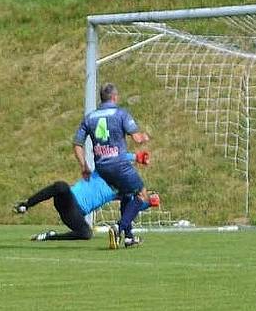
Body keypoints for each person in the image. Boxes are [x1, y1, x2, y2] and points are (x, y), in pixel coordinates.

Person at [13, 152, 159, 247]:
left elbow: (131, 208)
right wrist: (137, 157)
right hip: (68, 199)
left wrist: (148, 204)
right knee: (61, 186)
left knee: (86, 234)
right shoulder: (101, 171)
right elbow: (121, 157)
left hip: (74, 215)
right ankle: (26, 205)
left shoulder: (121, 191)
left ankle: (51, 236)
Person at [73, 83, 151, 248]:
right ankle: (119, 228)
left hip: (102, 168)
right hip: (120, 165)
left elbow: (77, 144)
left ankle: (129, 238)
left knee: (126, 195)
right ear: (115, 97)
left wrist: (84, 166)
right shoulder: (121, 114)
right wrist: (144, 136)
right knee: (142, 195)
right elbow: (136, 138)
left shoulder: (90, 117)